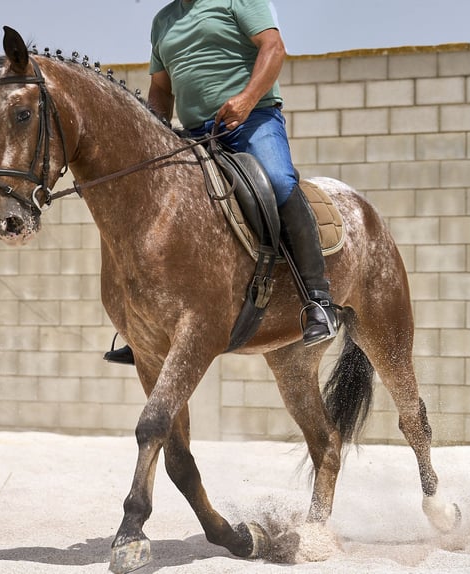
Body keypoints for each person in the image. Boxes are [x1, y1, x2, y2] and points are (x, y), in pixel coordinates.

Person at [104, 0, 337, 365]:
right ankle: (145, 323)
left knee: (277, 183)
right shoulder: (162, 21)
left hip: (252, 121)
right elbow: (161, 91)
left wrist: (246, 100)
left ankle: (318, 300)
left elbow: (274, 48)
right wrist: (152, 137)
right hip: (195, 134)